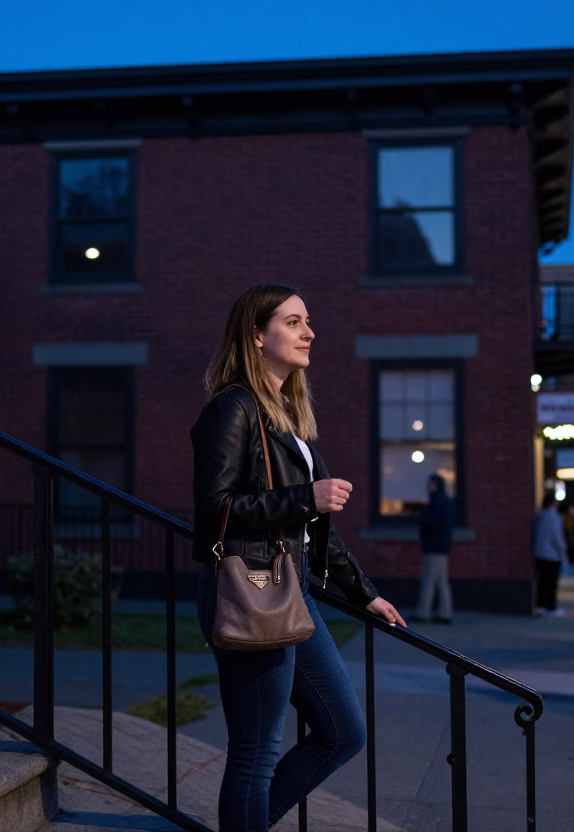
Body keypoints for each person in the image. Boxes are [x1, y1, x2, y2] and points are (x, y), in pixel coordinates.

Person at [190, 284, 407, 830]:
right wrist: (303, 497)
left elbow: (318, 534)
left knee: (342, 733)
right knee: (255, 753)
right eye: (293, 322)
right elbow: (214, 509)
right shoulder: (233, 408)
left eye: (307, 320)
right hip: (251, 589)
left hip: (293, 592)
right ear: (257, 335)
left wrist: (367, 594)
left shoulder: (290, 418)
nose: (309, 332)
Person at [415, 473, 456, 623]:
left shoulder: (437, 503)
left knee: (429, 580)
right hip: (441, 547)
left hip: (434, 547)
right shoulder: (446, 502)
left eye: (433, 484)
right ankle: (445, 613)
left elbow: (432, 523)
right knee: (441, 581)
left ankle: (423, 612)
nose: (430, 487)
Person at [532, 493, 567, 617]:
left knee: (542, 582)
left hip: (539, 553)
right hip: (551, 555)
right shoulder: (553, 518)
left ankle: (541, 605)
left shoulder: (539, 517)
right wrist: (563, 553)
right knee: (551, 583)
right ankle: (550, 607)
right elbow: (557, 537)